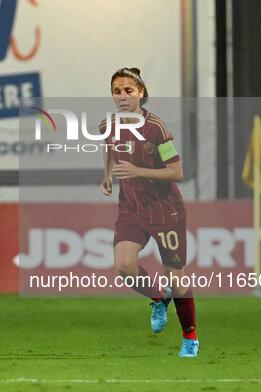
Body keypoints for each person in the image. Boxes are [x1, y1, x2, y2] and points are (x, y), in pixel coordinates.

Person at [99, 67, 198, 357]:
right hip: (131, 210)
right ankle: (158, 297)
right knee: (124, 266)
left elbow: (177, 171)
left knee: (176, 276)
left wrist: (137, 170)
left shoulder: (156, 128)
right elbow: (108, 147)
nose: (122, 97)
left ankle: (190, 338)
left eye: (128, 91)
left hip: (165, 212)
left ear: (141, 93)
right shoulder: (108, 124)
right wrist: (106, 175)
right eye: (117, 92)